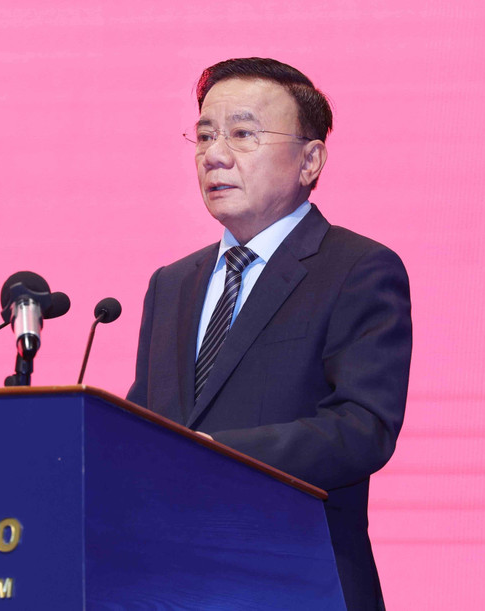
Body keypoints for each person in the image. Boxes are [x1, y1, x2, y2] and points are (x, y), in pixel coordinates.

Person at [127, 57, 412, 610]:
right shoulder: (171, 284)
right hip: (166, 584)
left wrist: (214, 454)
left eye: (242, 133)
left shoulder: (357, 268)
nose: (214, 154)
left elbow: (362, 428)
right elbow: (146, 429)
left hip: (296, 582)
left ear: (310, 160)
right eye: (205, 134)